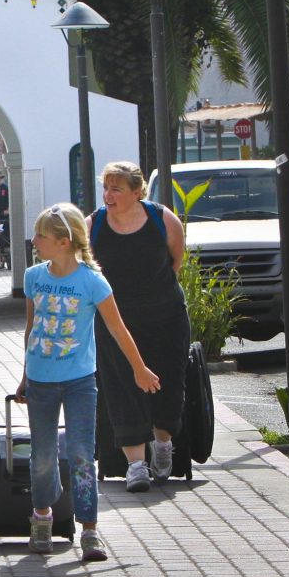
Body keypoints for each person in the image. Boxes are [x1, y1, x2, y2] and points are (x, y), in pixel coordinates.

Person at [16, 203, 159, 561]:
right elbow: (31, 330)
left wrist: (139, 368)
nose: (34, 241)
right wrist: (23, 376)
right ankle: (42, 518)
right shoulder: (35, 277)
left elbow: (117, 328)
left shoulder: (91, 282)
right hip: (41, 380)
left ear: (64, 242)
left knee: (81, 453)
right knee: (44, 455)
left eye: (41, 236)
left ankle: (90, 530)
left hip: (79, 380)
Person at [88, 161, 190, 493]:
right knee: (120, 385)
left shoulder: (163, 221)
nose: (108, 194)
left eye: (116, 188)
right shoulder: (94, 225)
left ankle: (163, 444)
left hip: (166, 316)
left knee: (168, 380)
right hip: (114, 319)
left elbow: (175, 261)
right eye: (106, 187)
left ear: (136, 192)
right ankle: (135, 465)